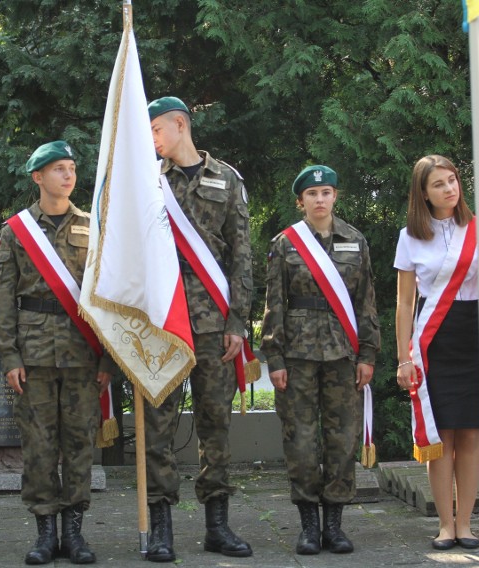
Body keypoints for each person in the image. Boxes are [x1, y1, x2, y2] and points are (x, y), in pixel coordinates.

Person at [144, 96, 253, 561]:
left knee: (216, 424)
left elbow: (241, 255)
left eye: (156, 130)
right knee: (158, 425)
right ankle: (161, 527)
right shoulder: (147, 182)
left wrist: (238, 322)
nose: (151, 140)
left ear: (180, 125)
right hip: (163, 322)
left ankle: (218, 526)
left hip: (212, 323)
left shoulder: (226, 179)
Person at [0, 141, 111, 565]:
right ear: (37, 177)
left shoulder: (93, 225)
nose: (67, 175)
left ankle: (74, 534)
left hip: (83, 354)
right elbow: (2, 298)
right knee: (40, 448)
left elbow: (107, 294)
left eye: (72, 168)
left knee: (79, 445)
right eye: (58, 169)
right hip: (35, 355)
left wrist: (107, 359)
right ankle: (45, 533)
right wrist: (9, 357)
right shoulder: (16, 231)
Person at [260, 165, 380, 555]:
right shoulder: (285, 244)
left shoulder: (355, 241)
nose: (320, 200)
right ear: (301, 201)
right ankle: (308, 525)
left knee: (343, 439)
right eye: (312, 194)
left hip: (343, 355)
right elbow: (273, 305)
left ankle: (335, 525)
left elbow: (365, 302)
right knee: (301, 440)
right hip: (297, 355)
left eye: (326, 192)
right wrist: (273, 358)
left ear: (335, 197)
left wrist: (368, 353)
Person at [394, 155, 479, 551]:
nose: (449, 188)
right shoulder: (410, 237)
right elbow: (405, 303)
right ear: (423, 194)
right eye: (439, 183)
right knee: (440, 438)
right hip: (434, 341)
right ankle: (444, 524)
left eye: (453, 180)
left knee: (471, 434)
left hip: (473, 335)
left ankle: (466, 524)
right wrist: (404, 357)